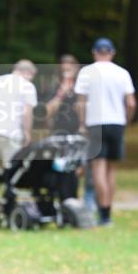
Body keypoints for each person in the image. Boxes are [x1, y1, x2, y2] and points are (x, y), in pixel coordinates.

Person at [74, 37, 136, 227]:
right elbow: (131, 103)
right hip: (117, 123)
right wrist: (126, 120)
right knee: (111, 170)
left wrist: (82, 123)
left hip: (96, 123)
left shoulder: (87, 72)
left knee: (98, 169)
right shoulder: (122, 73)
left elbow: (80, 102)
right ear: (112, 52)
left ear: (94, 52)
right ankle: (107, 212)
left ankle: (102, 214)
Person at [0, 60, 37, 205]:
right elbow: (26, 113)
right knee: (14, 171)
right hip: (11, 132)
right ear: (28, 73)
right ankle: (13, 205)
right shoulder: (27, 86)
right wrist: (28, 134)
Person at [44, 55, 81, 201]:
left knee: (75, 170)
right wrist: (61, 93)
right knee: (59, 169)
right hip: (59, 135)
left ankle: (72, 200)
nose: (67, 70)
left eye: (70, 67)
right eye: (64, 68)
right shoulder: (54, 88)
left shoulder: (81, 88)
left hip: (77, 135)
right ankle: (60, 200)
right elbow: (47, 112)